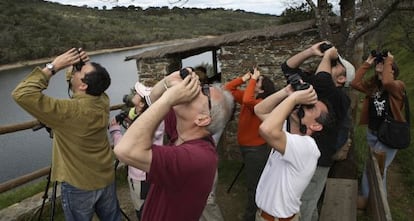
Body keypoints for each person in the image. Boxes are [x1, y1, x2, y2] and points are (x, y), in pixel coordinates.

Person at [12, 48, 121, 221]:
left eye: (80, 70)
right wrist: (77, 65)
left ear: (84, 85)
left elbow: (22, 93)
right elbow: (79, 84)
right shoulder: (101, 98)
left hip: (79, 184)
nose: (76, 70)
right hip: (104, 176)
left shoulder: (67, 112)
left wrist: (53, 67)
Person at [114, 68, 234, 221]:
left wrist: (168, 99)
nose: (199, 88)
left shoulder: (199, 158)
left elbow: (125, 150)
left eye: (204, 91)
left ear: (202, 119)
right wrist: (169, 81)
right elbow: (151, 102)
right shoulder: (184, 130)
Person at [281, 41, 355, 221]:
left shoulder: (340, 98)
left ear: (342, 79)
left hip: (316, 163)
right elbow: (287, 67)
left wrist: (328, 56)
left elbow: (323, 80)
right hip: (295, 154)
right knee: (305, 204)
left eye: (336, 65)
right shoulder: (315, 85)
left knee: (303, 207)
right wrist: (310, 52)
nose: (329, 63)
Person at [254, 83, 335, 221]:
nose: (304, 105)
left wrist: (294, 99)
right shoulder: (287, 132)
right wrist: (286, 91)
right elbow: (259, 110)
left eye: (310, 107)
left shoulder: (307, 147)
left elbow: (266, 130)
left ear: (316, 125)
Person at [350, 51, 405, 209]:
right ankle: (379, 200)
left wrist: (390, 60)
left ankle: (368, 201)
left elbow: (388, 82)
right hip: (373, 133)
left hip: (388, 136)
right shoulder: (373, 86)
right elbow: (354, 83)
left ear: (392, 70)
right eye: (379, 64)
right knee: (379, 169)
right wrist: (368, 63)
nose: (380, 64)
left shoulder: (397, 86)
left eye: (385, 65)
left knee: (373, 169)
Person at [224, 67, 276, 221]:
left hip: (256, 151)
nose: (253, 82)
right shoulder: (251, 98)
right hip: (247, 149)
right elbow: (227, 89)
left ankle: (251, 216)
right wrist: (245, 78)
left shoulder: (261, 103)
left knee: (254, 186)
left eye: (257, 81)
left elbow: (247, 100)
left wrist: (252, 80)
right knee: (253, 182)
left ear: (262, 88)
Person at [109, 82, 165, 220]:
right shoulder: (155, 116)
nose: (133, 95)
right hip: (152, 169)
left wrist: (115, 130)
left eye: (137, 94)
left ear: (141, 104)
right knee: (154, 206)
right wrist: (131, 116)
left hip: (141, 175)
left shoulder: (144, 125)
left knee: (143, 210)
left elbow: (124, 149)